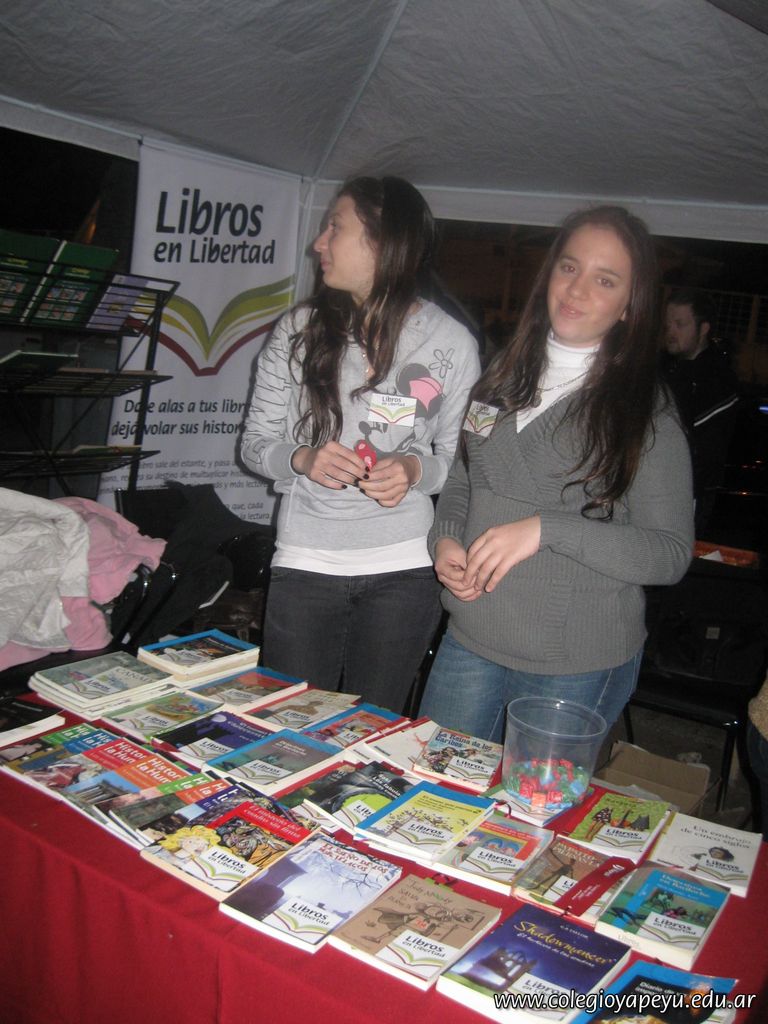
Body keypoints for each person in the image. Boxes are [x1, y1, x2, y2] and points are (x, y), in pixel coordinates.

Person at [419, 205, 694, 743]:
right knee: (429, 782)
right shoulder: (498, 379)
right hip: (472, 635)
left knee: (530, 800)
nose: (577, 289)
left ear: (630, 305)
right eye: (569, 267)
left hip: (574, 661)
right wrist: (446, 538)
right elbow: (463, 480)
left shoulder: (644, 410)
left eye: (605, 279)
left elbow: (669, 553)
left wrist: (548, 529)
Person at [240, 176, 480, 711]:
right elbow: (254, 443)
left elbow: (458, 462)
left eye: (335, 227)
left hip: (404, 568)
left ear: (381, 241)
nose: (318, 243)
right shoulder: (299, 329)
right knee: (289, 727)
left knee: (373, 729)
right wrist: (301, 458)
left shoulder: (452, 342)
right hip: (306, 562)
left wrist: (414, 470)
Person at [663, 288, 740, 534]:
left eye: (680, 324)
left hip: (684, 497)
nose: (670, 331)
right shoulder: (665, 368)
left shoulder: (717, 381)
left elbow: (698, 449)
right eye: (668, 324)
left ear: (703, 328)